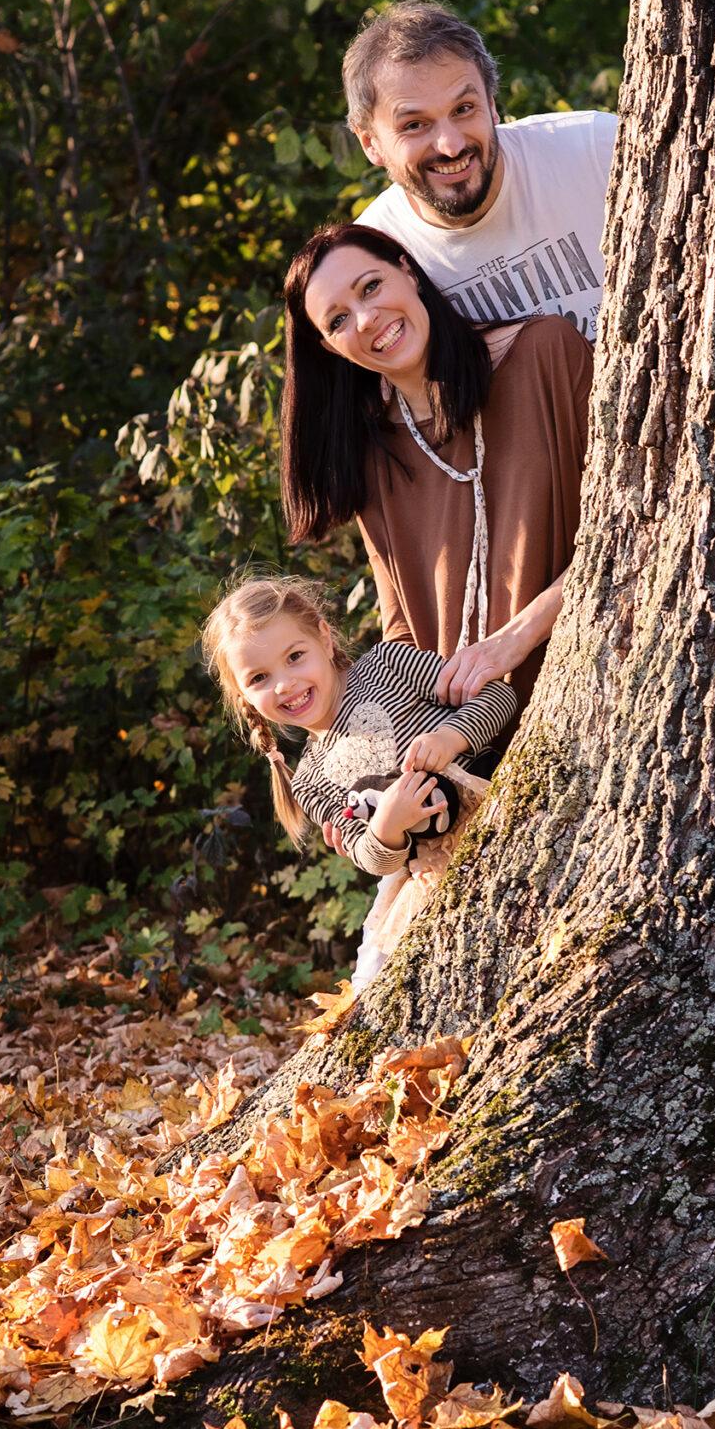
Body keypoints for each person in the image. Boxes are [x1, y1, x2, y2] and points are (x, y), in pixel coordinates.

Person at [282, 221, 591, 714]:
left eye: (371, 286)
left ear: (408, 272)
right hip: (469, 729)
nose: (365, 319)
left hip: (588, 687)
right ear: (329, 347)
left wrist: (517, 637)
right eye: (337, 321)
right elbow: (401, 629)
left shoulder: (545, 353)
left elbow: (629, 533)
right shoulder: (370, 450)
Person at [202, 575, 517, 982]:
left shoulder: (388, 665)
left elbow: (498, 695)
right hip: (432, 865)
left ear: (324, 638)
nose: (284, 684)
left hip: (496, 805)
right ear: (243, 696)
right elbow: (372, 858)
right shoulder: (309, 782)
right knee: (374, 976)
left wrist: (450, 737)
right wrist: (387, 827)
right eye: (259, 678)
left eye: (295, 656)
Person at [344, 0, 617, 342]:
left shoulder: (597, 149)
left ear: (491, 104)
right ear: (371, 143)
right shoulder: (370, 262)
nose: (451, 145)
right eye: (414, 125)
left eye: (463, 109)